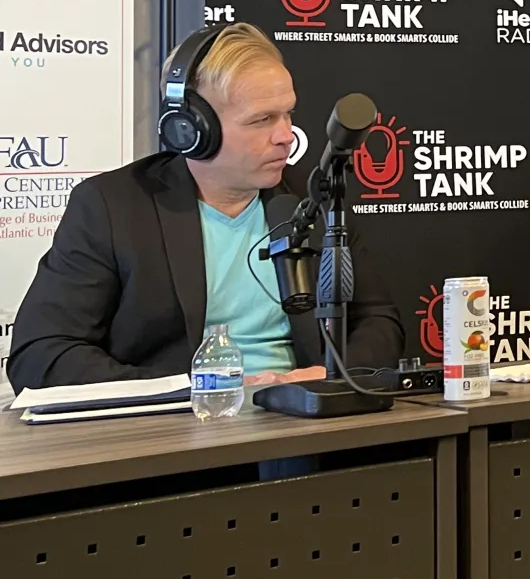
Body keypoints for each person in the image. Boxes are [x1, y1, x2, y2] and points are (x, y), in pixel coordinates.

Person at [7, 23, 402, 392]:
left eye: (288, 114)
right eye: (262, 119)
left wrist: (324, 376)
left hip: (304, 424)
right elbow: (42, 352)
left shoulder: (313, 196)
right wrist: (197, 392)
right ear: (191, 129)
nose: (286, 136)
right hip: (178, 438)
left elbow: (379, 320)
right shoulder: (113, 207)